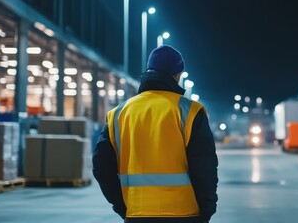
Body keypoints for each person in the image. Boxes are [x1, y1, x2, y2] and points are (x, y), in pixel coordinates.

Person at [93, 45, 218, 223]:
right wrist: (206, 210)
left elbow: (101, 167)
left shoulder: (119, 114)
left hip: (137, 213)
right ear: (178, 74)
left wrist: (122, 206)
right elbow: (205, 168)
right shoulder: (190, 111)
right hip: (185, 214)